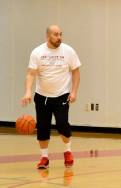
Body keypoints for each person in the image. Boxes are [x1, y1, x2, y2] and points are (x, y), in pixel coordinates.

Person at [21, 25, 81, 169]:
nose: (59, 37)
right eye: (55, 34)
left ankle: (67, 152)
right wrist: (28, 91)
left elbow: (76, 72)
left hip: (62, 95)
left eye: (60, 34)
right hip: (42, 96)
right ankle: (44, 157)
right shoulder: (37, 52)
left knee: (62, 124)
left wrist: (74, 92)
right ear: (48, 36)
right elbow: (31, 73)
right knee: (42, 127)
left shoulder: (68, 51)